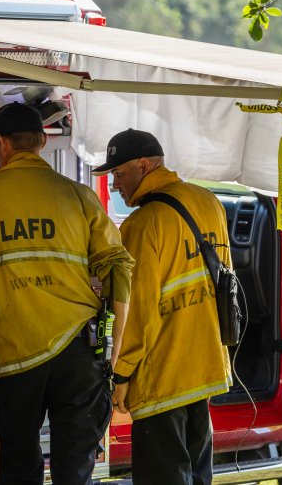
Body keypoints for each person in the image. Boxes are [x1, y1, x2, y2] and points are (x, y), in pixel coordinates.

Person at [0, 102, 134, 485]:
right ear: (41, 141)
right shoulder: (79, 195)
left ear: (2, 143)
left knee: (19, 462)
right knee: (75, 465)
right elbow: (118, 266)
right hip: (79, 350)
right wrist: (113, 353)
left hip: (17, 348)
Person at [93, 128, 232, 484]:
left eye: (119, 174)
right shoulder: (208, 202)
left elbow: (138, 311)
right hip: (205, 369)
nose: (115, 186)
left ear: (144, 165)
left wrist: (121, 373)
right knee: (198, 476)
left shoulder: (142, 224)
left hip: (163, 376)